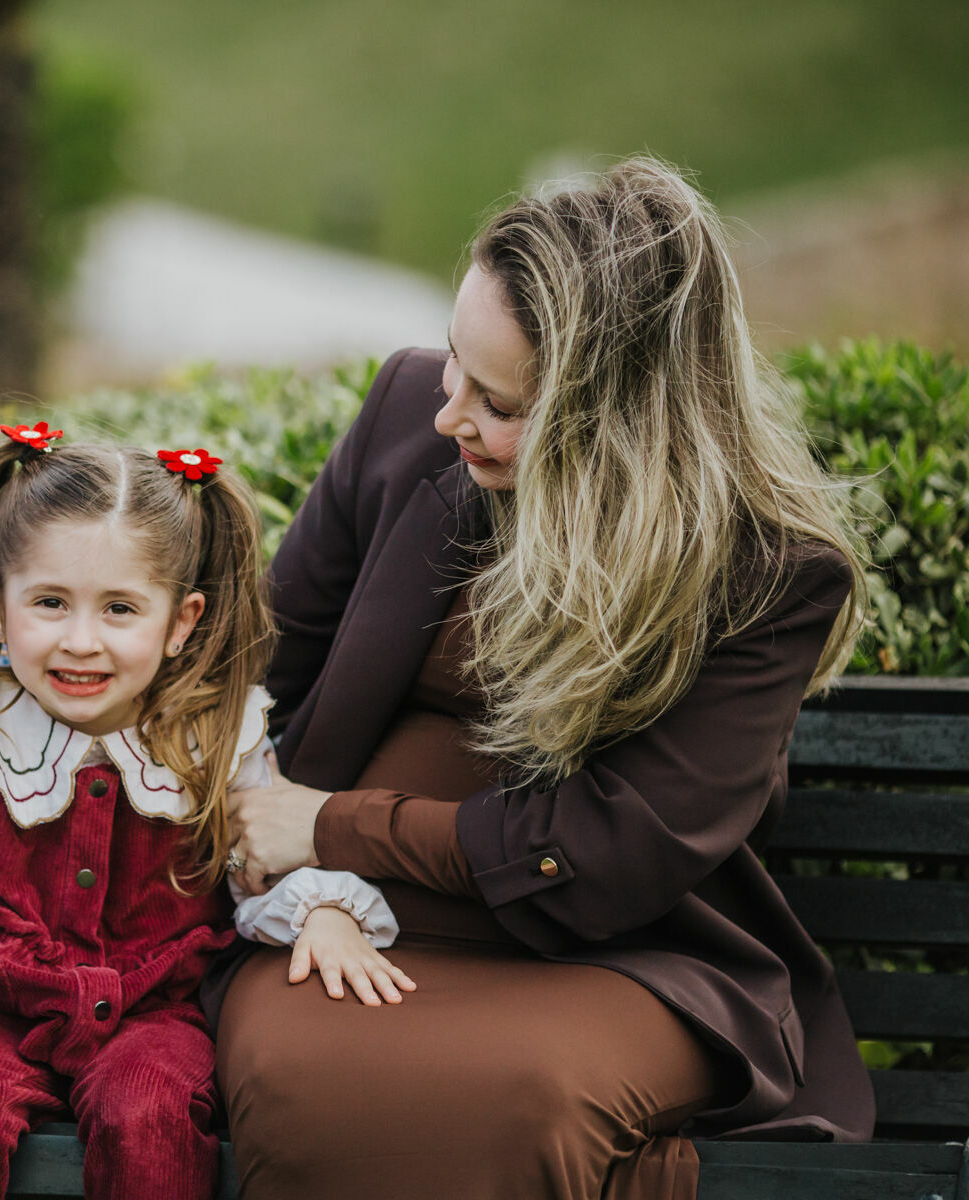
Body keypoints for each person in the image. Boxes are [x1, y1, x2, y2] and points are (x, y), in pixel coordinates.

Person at [212, 157, 875, 1199]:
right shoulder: (401, 420)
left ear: (615, 418)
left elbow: (608, 855)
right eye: (453, 368)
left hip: (616, 958)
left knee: (526, 1098)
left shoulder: (765, 574)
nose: (448, 417)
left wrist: (333, 821)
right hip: (340, 919)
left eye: (499, 400)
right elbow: (250, 669)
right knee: (304, 1077)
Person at [0, 428, 411, 1200]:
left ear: (181, 622)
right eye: (50, 602)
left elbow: (267, 864)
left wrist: (321, 913)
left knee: (148, 1110)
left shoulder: (213, 741)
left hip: (156, 1013)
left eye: (121, 608)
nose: (81, 642)